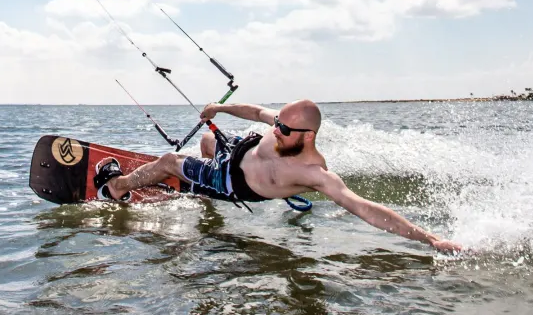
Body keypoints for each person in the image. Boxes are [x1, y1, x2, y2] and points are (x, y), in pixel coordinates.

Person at [94, 99, 462, 254]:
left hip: (233, 181)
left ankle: (115, 188)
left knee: (170, 160)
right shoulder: (282, 126)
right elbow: (256, 112)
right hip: (237, 152)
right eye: (278, 124)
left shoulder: (315, 173)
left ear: (308, 136)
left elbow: (365, 208)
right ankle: (200, 193)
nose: (276, 130)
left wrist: (430, 239)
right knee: (207, 140)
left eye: (284, 130)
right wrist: (220, 107)